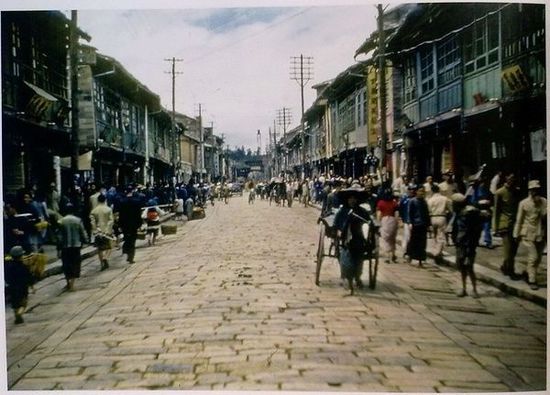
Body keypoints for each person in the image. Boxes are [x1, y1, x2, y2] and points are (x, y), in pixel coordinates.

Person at [334, 183, 372, 295]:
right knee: (347, 262)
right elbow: (337, 224)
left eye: (354, 198)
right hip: (346, 239)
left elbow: (368, 223)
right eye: (350, 198)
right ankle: (349, 282)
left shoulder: (362, 211)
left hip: (359, 240)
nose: (352, 200)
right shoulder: (343, 211)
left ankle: (357, 277)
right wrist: (338, 231)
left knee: (358, 261)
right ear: (347, 199)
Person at [513, 180, 547, 290]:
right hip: (528, 233)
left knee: (538, 258)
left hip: (541, 233)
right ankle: (532, 280)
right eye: (533, 190)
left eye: (537, 190)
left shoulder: (544, 202)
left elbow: (546, 216)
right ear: (529, 191)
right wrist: (516, 234)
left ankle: (530, 273)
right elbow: (519, 219)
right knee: (533, 257)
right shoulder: (523, 203)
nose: (535, 192)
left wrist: (541, 206)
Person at [451, 193, 483, 298]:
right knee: (462, 267)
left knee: (469, 266)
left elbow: (474, 230)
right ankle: (464, 288)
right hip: (460, 244)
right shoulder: (459, 213)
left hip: (469, 243)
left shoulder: (469, 213)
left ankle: (474, 289)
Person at [492, 174, 520, 279]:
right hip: (505, 224)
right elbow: (496, 211)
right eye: (510, 179)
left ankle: (505, 266)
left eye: (513, 179)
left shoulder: (516, 191)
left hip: (515, 224)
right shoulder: (500, 192)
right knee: (508, 250)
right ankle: (511, 271)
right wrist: (495, 227)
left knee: (514, 249)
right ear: (506, 179)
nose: (512, 181)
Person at [58, 203, 88, 291]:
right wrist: (85, 240)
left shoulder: (61, 221)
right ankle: (72, 284)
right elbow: (83, 232)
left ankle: (68, 282)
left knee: (66, 264)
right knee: (75, 264)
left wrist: (58, 248)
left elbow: (59, 236)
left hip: (65, 246)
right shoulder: (78, 220)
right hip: (76, 246)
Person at [4, 246, 33, 324]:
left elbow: (7, 277)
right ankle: (19, 313)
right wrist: (32, 287)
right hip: (23, 288)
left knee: (15, 304)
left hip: (12, 287)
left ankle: (17, 317)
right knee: (24, 303)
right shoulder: (24, 267)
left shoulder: (8, 267)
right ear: (21, 256)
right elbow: (29, 277)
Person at [427, 183, 452, 263]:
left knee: (434, 235)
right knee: (441, 235)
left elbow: (428, 210)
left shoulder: (430, 200)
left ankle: (436, 250)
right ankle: (438, 252)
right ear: (439, 190)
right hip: (442, 217)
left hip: (432, 217)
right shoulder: (444, 198)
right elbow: (450, 209)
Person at [406, 186, 430, 267]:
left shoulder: (424, 202)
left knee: (422, 243)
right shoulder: (412, 201)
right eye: (420, 191)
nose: (421, 193)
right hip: (415, 224)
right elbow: (409, 213)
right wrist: (410, 223)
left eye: (423, 191)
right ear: (416, 192)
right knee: (413, 241)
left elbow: (427, 214)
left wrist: (428, 224)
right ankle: (410, 256)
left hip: (423, 224)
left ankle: (420, 260)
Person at [90, 194, 115, 271]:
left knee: (99, 248)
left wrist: (95, 230)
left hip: (98, 231)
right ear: (105, 200)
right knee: (110, 245)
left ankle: (101, 264)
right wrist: (108, 229)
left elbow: (92, 222)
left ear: (98, 200)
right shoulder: (108, 209)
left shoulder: (94, 211)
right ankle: (105, 257)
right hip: (107, 231)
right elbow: (111, 220)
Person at [118, 187, 143, 264]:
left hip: (125, 224)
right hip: (134, 224)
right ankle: (131, 256)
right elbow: (139, 214)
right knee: (133, 240)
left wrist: (120, 224)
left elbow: (121, 215)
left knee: (127, 238)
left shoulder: (122, 202)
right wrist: (140, 223)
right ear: (132, 192)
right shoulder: (137, 201)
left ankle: (126, 250)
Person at [376, 188, 399, 264]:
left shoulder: (381, 203)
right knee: (393, 239)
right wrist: (397, 222)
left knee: (385, 239)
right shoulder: (394, 202)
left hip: (385, 220)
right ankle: (393, 254)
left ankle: (387, 256)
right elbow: (396, 214)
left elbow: (379, 214)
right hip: (393, 219)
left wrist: (378, 223)